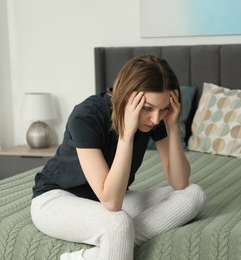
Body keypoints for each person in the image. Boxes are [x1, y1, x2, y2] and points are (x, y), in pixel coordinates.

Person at [30, 55, 207, 260]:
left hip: (106, 199)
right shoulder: (86, 116)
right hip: (57, 199)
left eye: (164, 109)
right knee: (118, 222)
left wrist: (173, 126)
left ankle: (99, 252)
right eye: (147, 108)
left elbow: (179, 182)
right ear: (127, 97)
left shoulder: (156, 120)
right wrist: (127, 134)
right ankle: (114, 238)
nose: (156, 119)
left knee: (193, 193)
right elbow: (112, 203)